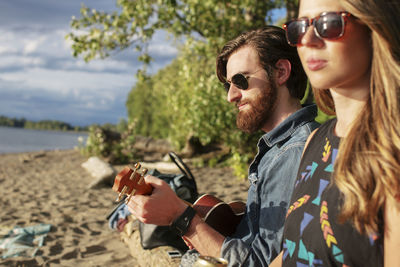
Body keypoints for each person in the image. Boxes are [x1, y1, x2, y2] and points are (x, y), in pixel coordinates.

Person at [127, 26, 319, 266]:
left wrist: (182, 219)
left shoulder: (294, 152)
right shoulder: (278, 148)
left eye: (240, 80)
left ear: (281, 72)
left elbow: (258, 263)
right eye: (228, 85)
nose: (231, 95)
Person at [270, 0, 400, 266]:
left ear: (375, 27)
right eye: (298, 28)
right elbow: (296, 250)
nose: (307, 39)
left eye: (328, 24)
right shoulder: (315, 142)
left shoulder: (392, 152)